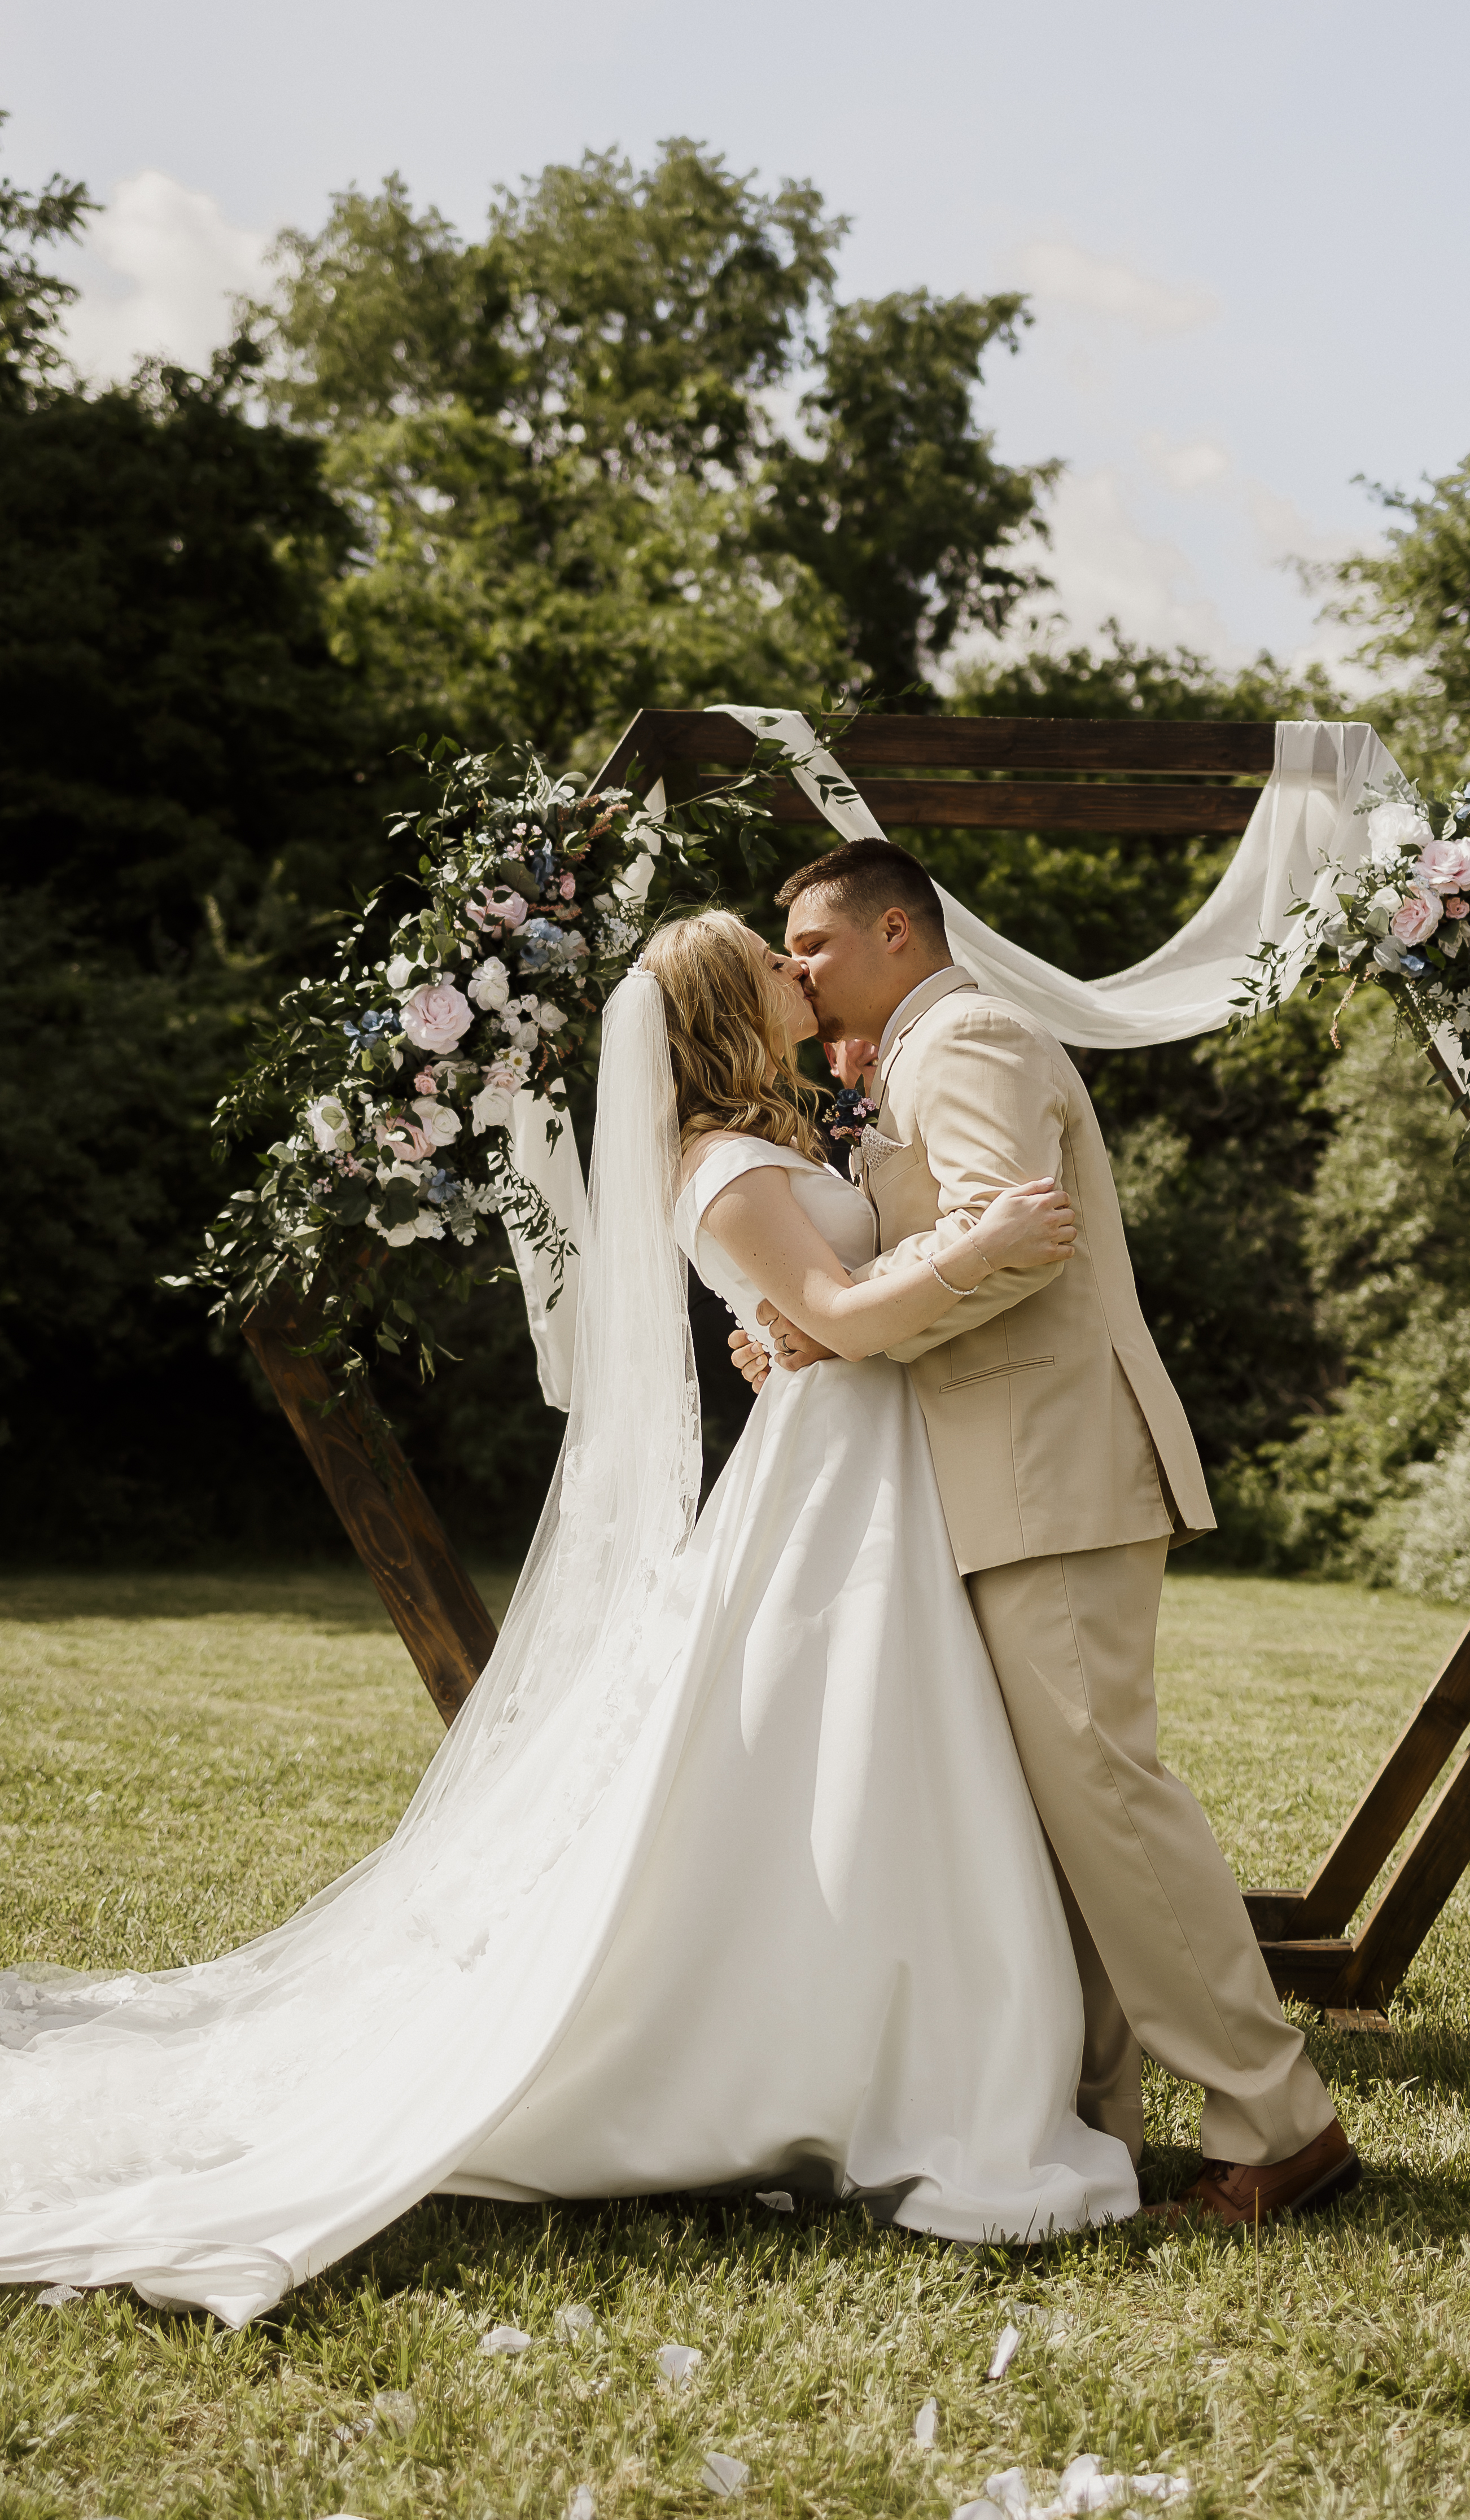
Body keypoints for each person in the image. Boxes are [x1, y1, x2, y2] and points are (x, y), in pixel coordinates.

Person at [0, 912, 1135, 2329]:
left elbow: (822, 1309)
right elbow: (839, 1302)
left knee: (880, 1744)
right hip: (838, 1482)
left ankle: (930, 2026)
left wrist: (801, 1323)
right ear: (729, 1005)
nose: (801, 971)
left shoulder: (762, 1142)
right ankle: (859, 2051)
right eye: (774, 961)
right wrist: (943, 1264)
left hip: (864, 1462)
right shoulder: (720, 1165)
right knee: (845, 1737)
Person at [740, 838, 1358, 2230]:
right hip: (1000, 1471)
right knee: (1052, 1816)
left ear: (898, 928)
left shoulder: (967, 1036)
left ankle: (1281, 2117)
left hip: (1050, 1463)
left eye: (817, 945)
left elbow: (1009, 1239)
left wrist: (830, 1329)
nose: (799, 971)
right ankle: (1087, 2115)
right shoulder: (910, 1058)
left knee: (1110, 1797)